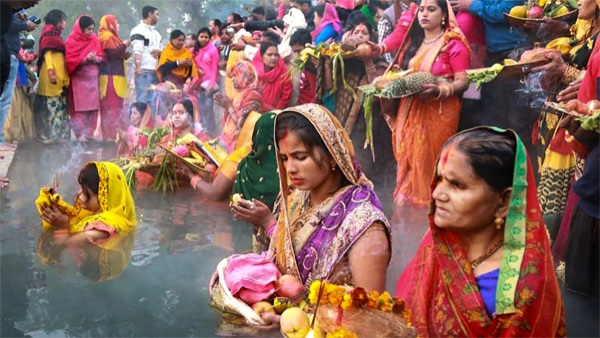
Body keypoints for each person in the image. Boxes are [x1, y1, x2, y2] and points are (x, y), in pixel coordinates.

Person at [395, 127, 566, 336]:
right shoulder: (435, 243)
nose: (438, 193)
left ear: (504, 201)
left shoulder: (526, 286)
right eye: (439, 179)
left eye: (457, 185)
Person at [232, 104, 391, 291]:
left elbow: (370, 314)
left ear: (332, 155)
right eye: (284, 158)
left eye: (300, 157)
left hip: (314, 320)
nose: (290, 169)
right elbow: (283, 258)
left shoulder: (363, 226)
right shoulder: (295, 197)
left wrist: (287, 315)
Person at [373, 0, 470, 206]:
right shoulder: (414, 43)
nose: (424, 14)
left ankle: (429, 213)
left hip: (439, 114)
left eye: (431, 9)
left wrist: (441, 90)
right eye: (422, 10)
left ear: (444, 15)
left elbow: (462, 82)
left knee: (429, 166)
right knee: (408, 164)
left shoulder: (453, 43)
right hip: (410, 112)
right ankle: (407, 218)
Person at [186, 112, 278, 214]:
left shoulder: (239, 158)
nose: (235, 133)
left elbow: (214, 194)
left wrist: (191, 176)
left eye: (239, 129)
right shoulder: (283, 162)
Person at [37, 161, 137, 240]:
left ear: (104, 197)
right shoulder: (94, 215)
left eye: (87, 194)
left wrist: (63, 226)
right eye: (81, 189)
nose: (80, 197)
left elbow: (63, 245)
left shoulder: (98, 231)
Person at [34, 9, 71, 144]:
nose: (64, 23)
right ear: (57, 21)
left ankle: (62, 137)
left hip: (60, 79)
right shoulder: (48, 34)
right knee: (53, 109)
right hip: (51, 79)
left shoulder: (57, 35)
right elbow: (48, 55)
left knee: (62, 109)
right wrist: (51, 73)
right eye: (63, 20)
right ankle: (53, 137)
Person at [0, 10, 37, 144]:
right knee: (5, 100)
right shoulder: (7, 8)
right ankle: (0, 140)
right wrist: (24, 25)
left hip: (9, 54)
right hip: (7, 55)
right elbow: (7, 24)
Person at [215, 61, 263, 152]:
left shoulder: (253, 95)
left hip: (240, 144)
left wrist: (228, 106)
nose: (232, 79)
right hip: (227, 141)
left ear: (245, 76)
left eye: (235, 76)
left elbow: (242, 125)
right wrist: (226, 107)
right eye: (232, 77)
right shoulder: (239, 92)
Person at [98, 15, 130, 141]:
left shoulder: (113, 37)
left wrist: (123, 55)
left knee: (116, 108)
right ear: (110, 23)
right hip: (110, 78)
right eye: (115, 21)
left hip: (115, 77)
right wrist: (124, 45)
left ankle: (115, 136)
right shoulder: (106, 36)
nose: (117, 24)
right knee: (111, 108)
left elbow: (115, 55)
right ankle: (110, 137)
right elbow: (112, 55)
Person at [130, 5, 162, 105]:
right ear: (150, 14)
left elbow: (161, 51)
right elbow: (137, 50)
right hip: (144, 72)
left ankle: (151, 121)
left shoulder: (157, 33)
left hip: (155, 72)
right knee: (142, 102)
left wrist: (160, 53)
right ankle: (141, 120)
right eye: (156, 14)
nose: (158, 17)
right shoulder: (138, 30)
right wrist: (138, 67)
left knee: (154, 102)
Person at [192, 27, 219, 136]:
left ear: (210, 38)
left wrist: (211, 84)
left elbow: (214, 68)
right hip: (197, 84)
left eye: (206, 37)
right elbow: (189, 60)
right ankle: (202, 132)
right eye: (201, 37)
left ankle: (211, 132)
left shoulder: (213, 50)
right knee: (200, 108)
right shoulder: (195, 50)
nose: (203, 39)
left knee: (208, 108)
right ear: (197, 37)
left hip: (209, 84)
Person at [252, 41, 292, 111]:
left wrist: (274, 112)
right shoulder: (253, 70)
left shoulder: (284, 73)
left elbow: (285, 97)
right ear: (261, 56)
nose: (273, 58)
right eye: (269, 55)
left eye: (276, 55)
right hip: (253, 110)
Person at [290, 28, 317, 105]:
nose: (297, 55)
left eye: (299, 51)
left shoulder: (312, 65)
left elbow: (315, 92)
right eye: (295, 52)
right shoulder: (303, 63)